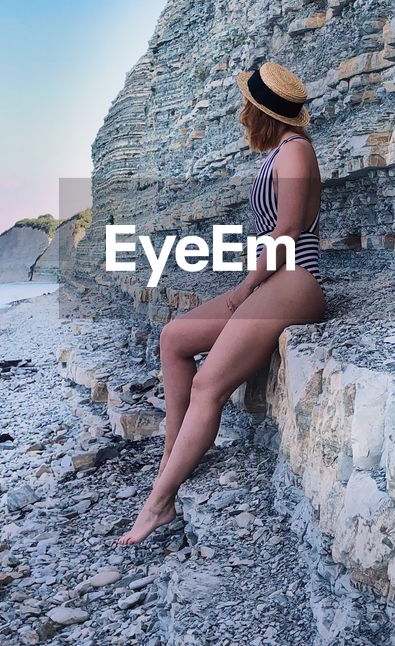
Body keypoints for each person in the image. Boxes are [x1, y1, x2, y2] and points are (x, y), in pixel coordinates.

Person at [118, 61, 327, 547]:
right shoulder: (279, 152)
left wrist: (244, 288)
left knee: (210, 383)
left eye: (247, 106)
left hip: (296, 279)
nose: (240, 115)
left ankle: (160, 502)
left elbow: (290, 231)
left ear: (263, 112)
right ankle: (173, 457)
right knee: (174, 339)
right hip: (273, 279)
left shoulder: (295, 153)